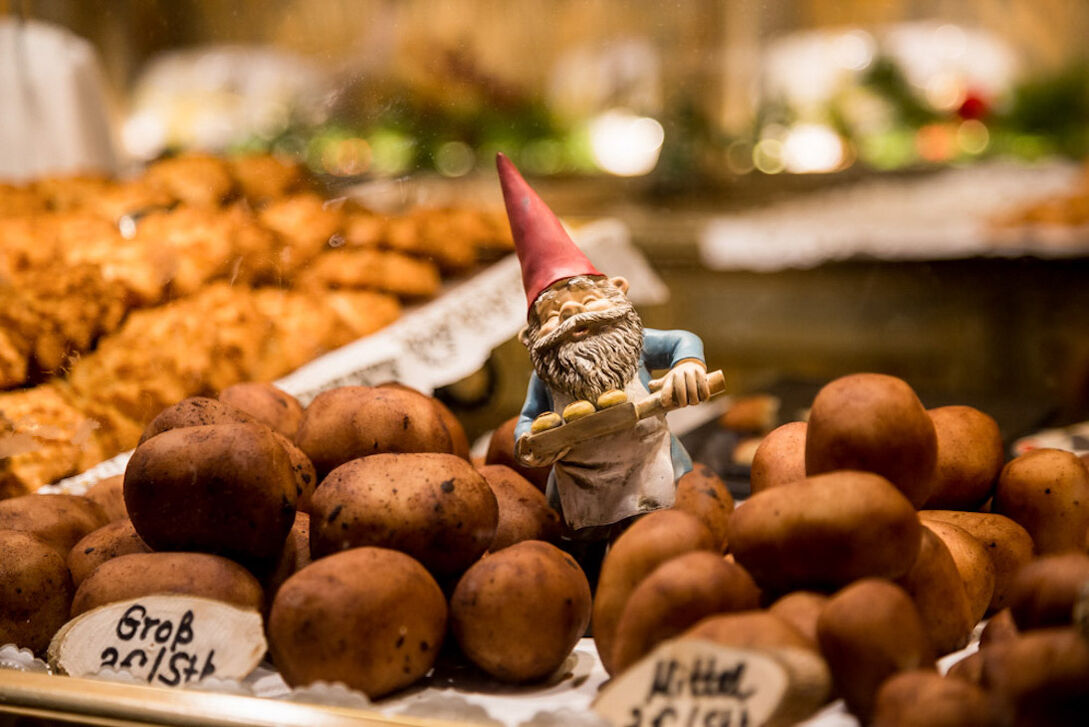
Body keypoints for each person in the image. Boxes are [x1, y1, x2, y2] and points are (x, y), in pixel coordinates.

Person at [497, 153, 714, 568]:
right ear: (531, 337)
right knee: (582, 555)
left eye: (589, 301)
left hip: (647, 469)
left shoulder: (631, 344)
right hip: (580, 488)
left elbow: (682, 340)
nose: (575, 316)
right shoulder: (548, 375)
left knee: (646, 548)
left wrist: (688, 365)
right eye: (556, 315)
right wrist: (531, 444)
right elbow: (527, 422)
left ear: (619, 290)